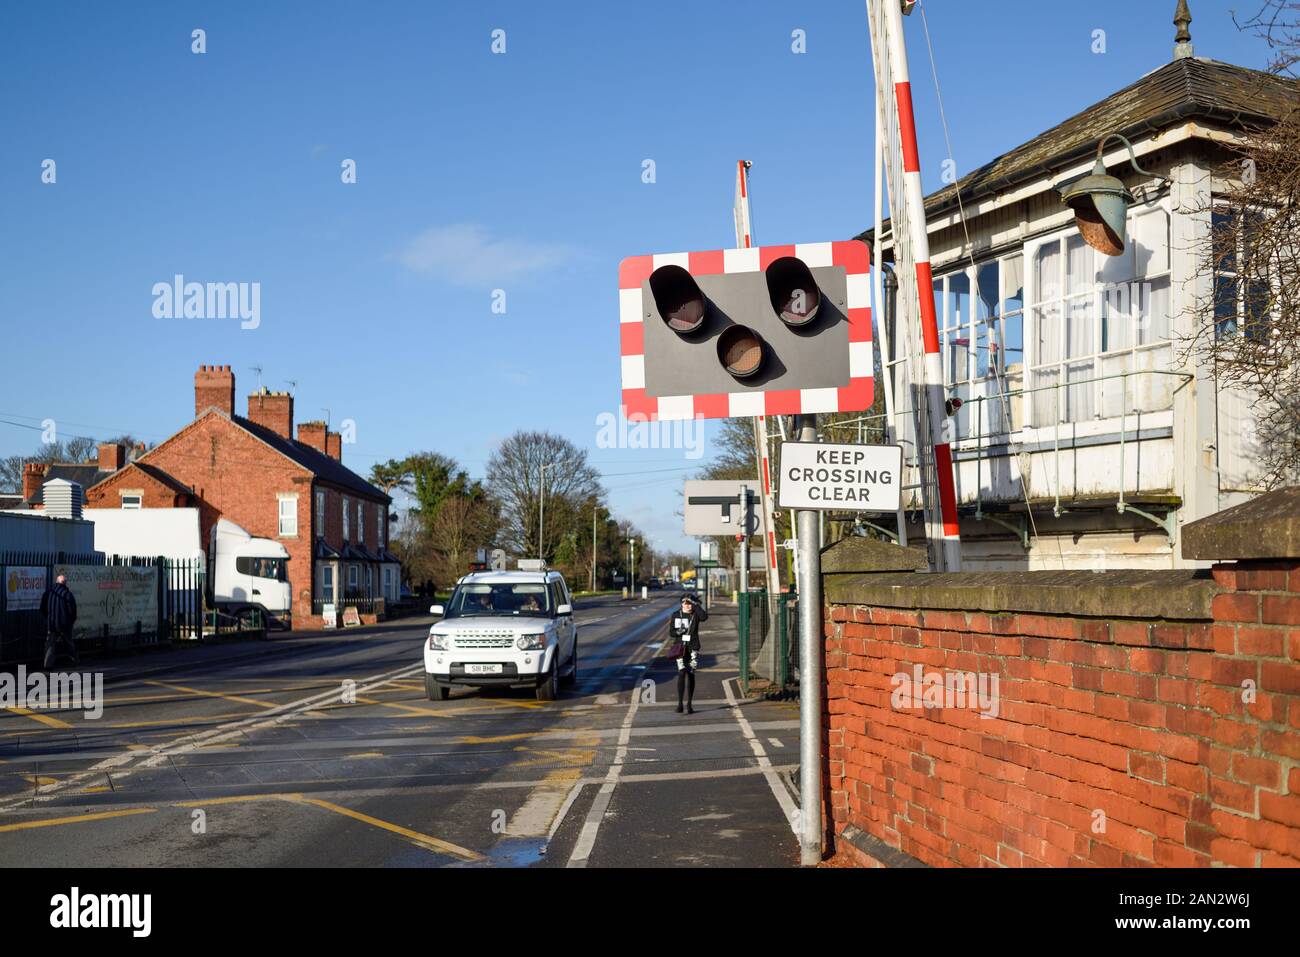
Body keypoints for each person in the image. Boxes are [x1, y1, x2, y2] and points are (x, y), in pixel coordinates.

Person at [666, 593, 708, 714]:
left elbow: (704, 617)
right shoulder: (675, 615)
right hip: (680, 647)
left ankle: (689, 703)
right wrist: (679, 632)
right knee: (681, 672)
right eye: (686, 603)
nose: (688, 606)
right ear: (681, 604)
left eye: (690, 603)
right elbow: (671, 633)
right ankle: (679, 704)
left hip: (693, 647)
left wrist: (696, 606)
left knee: (691, 674)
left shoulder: (696, 614)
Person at [39, 573, 79, 670]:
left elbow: (42, 608)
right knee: (69, 642)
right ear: (65, 583)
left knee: (50, 644)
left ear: (56, 582)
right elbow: (72, 611)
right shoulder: (68, 594)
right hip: (65, 624)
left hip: (52, 624)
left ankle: (48, 664)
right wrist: (71, 621)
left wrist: (48, 618)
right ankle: (74, 661)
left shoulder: (48, 593)